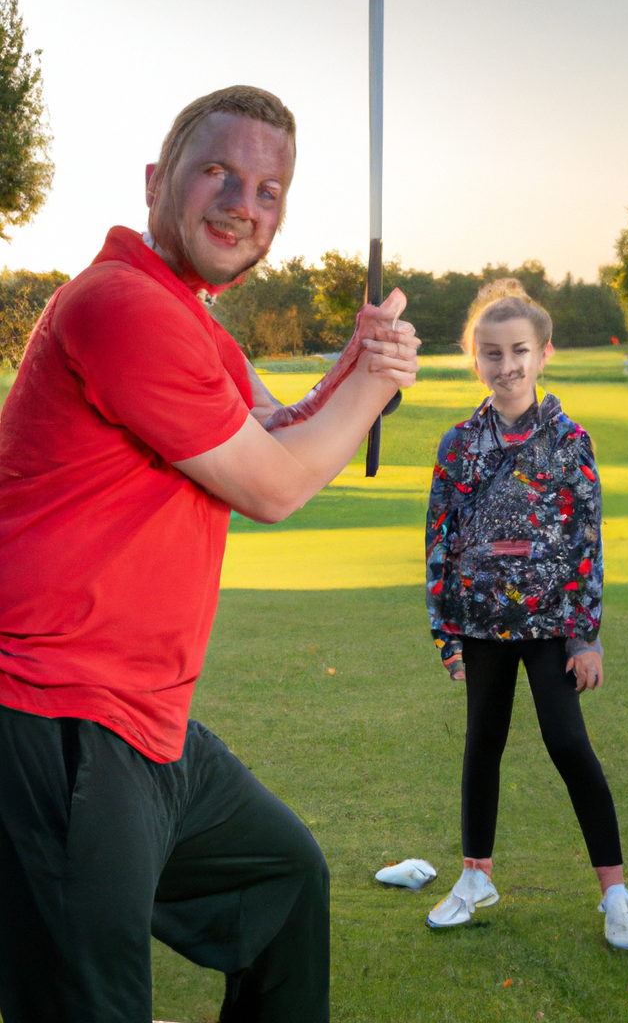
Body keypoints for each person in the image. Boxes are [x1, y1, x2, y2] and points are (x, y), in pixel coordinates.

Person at [0, 86, 419, 1023]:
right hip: (57, 715)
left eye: (270, 191)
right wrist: (375, 386)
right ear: (158, 181)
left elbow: (278, 426)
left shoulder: (191, 323)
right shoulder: (118, 305)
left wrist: (356, 365)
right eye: (220, 172)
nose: (244, 202)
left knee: (282, 884)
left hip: (148, 725)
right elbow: (272, 485)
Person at [423, 280, 628, 950]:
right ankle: (475, 876)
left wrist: (586, 636)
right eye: (491, 354)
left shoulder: (570, 441)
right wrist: (446, 634)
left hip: (552, 626)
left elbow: (587, 543)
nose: (506, 365)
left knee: (568, 744)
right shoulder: (459, 444)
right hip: (481, 623)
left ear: (543, 353)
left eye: (519, 351)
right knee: (481, 747)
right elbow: (439, 538)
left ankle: (616, 892)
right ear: (475, 360)